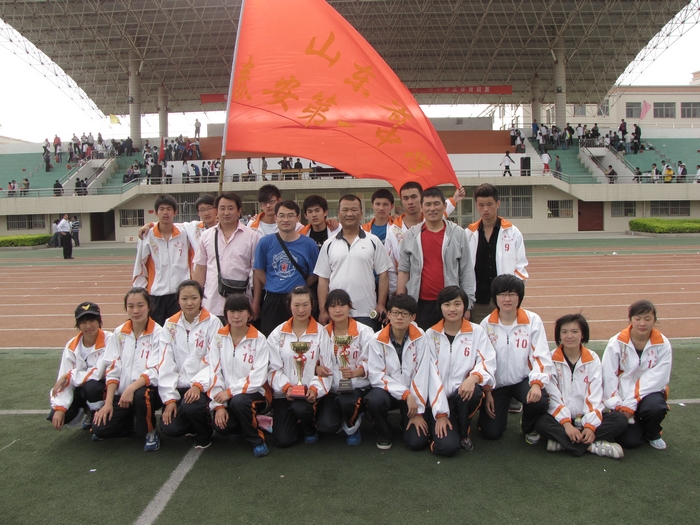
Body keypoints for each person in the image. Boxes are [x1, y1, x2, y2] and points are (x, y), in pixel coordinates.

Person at [534, 314, 627, 459]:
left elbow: (595, 394)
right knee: (541, 423)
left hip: (586, 418)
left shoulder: (592, 359)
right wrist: (566, 424)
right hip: (561, 419)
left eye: (574, 331)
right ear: (559, 335)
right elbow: (553, 396)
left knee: (620, 420)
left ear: (582, 334)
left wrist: (590, 426)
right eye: (564, 332)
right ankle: (592, 446)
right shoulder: (550, 360)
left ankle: (563, 442)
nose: (569, 336)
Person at [191, 294, 270, 457]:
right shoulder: (218, 338)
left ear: (249, 314)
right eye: (232, 311)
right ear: (226, 314)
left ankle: (256, 440)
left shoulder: (259, 339)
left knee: (240, 402)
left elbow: (258, 377)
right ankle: (240, 425)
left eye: (241, 311)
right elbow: (214, 371)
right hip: (227, 396)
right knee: (222, 427)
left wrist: (230, 392)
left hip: (254, 393)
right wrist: (219, 406)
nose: (236, 316)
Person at [478, 275, 552, 444]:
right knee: (491, 433)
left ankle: (528, 426)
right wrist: (487, 392)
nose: (507, 299)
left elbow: (541, 355)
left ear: (520, 297)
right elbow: (482, 361)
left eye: (512, 294)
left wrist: (536, 384)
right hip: (497, 385)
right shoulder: (486, 325)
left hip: (522, 380)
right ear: (495, 297)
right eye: (502, 294)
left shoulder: (533, 321)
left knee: (539, 401)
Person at [426, 286, 496, 454]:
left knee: (474, 392)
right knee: (447, 448)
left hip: (463, 394)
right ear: (440, 307)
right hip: (439, 397)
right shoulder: (431, 335)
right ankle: (441, 425)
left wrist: (473, 378)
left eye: (457, 304)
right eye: (447, 304)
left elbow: (487, 361)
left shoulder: (477, 331)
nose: (452, 309)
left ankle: (464, 432)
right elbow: (430, 375)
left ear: (465, 306)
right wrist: (441, 413)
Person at [92, 288, 165, 451]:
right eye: (131, 306)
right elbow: (113, 368)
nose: (136, 311)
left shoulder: (159, 333)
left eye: (140, 305)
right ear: (126, 308)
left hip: (148, 392)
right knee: (100, 430)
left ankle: (150, 431)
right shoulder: (119, 333)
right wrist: (108, 403)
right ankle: (132, 421)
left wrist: (131, 388)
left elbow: (155, 370)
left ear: (149, 306)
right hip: (122, 394)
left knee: (141, 395)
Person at [397, 187, 475, 330]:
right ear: (421, 207)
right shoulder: (411, 235)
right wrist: (400, 304)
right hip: (420, 304)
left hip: (450, 303)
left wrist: (467, 305)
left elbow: (466, 270)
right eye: (428, 204)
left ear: (444, 206)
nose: (432, 208)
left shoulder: (457, 234)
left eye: (436, 204)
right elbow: (404, 270)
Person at [158, 280, 222, 449]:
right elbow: (165, 362)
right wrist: (170, 399)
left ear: (201, 299)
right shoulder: (169, 325)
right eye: (184, 298)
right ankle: (191, 424)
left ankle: (204, 432)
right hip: (179, 386)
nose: (189, 303)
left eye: (194, 298)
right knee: (170, 428)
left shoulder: (213, 322)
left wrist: (198, 385)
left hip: (202, 386)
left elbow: (214, 360)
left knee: (192, 407)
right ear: (178, 300)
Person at [266, 286, 334, 447]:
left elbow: (327, 368)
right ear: (289, 306)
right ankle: (293, 421)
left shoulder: (321, 333)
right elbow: (272, 369)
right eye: (296, 305)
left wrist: (315, 389)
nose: (301, 310)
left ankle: (309, 428)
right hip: (284, 394)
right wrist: (287, 388)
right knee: (283, 440)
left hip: (310, 394)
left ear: (313, 305)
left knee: (302, 408)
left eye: (305, 305)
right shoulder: (277, 334)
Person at [601, 300, 672, 450]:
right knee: (630, 442)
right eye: (638, 318)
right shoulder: (616, 343)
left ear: (654, 320)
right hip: (622, 397)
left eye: (647, 319)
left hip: (649, 392)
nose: (642, 323)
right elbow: (608, 375)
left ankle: (652, 433)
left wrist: (631, 402)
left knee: (655, 407)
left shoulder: (663, 344)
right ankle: (635, 425)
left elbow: (659, 377)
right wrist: (617, 404)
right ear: (630, 319)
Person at [314, 194, 392, 330]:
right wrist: (323, 309)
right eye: (345, 210)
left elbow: (383, 274)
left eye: (354, 210)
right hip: (336, 311)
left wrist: (381, 304)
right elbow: (323, 280)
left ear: (361, 213)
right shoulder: (328, 244)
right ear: (338, 213)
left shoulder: (373, 241)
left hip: (367, 312)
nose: (349, 214)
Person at [365, 294, 431, 451]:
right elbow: (376, 376)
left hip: (414, 395)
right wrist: (405, 394)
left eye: (404, 314)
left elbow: (423, 373)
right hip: (390, 394)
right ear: (388, 314)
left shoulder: (421, 337)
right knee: (374, 400)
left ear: (413, 317)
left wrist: (418, 409)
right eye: (395, 313)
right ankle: (384, 432)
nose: (399, 317)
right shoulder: (376, 340)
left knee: (417, 443)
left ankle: (406, 420)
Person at [315, 289, 375, 446]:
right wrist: (317, 369)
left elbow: (374, 361)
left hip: (356, 386)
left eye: (342, 305)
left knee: (347, 402)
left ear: (350, 306)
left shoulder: (364, 331)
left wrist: (356, 372)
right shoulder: (322, 333)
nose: (338, 310)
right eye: (333, 306)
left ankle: (353, 425)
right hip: (331, 388)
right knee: (326, 426)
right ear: (327, 309)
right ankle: (343, 417)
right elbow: (311, 359)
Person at [253, 200, 319, 335]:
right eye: (281, 216)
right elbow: (258, 270)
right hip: (273, 300)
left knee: (300, 338)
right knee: (271, 338)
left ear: (298, 218)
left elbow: (315, 273)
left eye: (290, 215)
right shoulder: (265, 242)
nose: (286, 220)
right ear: (275, 218)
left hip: (299, 300)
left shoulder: (309, 244)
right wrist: (273, 284)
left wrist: (300, 285)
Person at [465, 184, 528, 325]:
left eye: (490, 204)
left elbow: (520, 266)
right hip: (478, 301)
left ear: (498, 203)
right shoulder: (469, 234)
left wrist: (513, 294)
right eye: (481, 205)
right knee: (479, 335)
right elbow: (463, 268)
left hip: (504, 299)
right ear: (476, 205)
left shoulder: (512, 232)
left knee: (504, 334)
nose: (485, 209)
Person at [193, 192, 259, 322]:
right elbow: (200, 268)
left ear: (239, 211)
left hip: (241, 306)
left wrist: (256, 302)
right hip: (211, 304)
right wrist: (196, 299)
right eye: (222, 208)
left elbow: (257, 272)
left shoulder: (252, 236)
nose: (226, 212)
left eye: (230, 208)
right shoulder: (207, 236)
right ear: (216, 211)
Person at [48, 302, 111, 432]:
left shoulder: (109, 340)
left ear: (99, 320)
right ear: (78, 324)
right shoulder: (72, 346)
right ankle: (86, 410)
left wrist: (69, 375)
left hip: (104, 389)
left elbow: (99, 373)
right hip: (81, 389)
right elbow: (63, 380)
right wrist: (60, 408)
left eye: (92, 320)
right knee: (58, 414)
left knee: (92, 387)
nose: (88, 326)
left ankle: (96, 414)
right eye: (83, 322)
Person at [133, 194, 193, 326]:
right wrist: (140, 290)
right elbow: (140, 264)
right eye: (161, 209)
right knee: (157, 331)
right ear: (156, 213)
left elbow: (201, 225)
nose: (165, 212)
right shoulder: (147, 236)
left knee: (179, 331)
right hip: (156, 295)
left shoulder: (185, 233)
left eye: (169, 209)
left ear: (175, 212)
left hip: (180, 294)